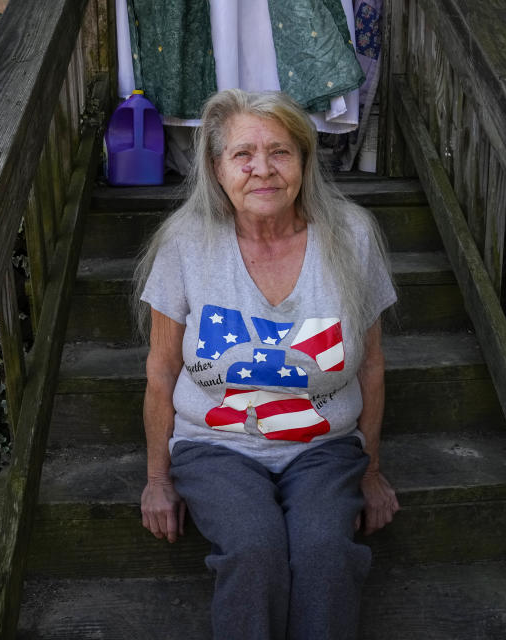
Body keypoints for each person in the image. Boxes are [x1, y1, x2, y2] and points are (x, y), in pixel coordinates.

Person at [134, 88, 400, 639]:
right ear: (216, 167)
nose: (263, 169)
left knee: (326, 552)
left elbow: (371, 365)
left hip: (324, 447)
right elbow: (161, 370)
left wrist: (371, 471)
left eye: (280, 151)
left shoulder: (351, 236)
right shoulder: (186, 244)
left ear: (304, 160)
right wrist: (158, 479)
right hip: (215, 447)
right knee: (254, 549)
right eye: (243, 154)